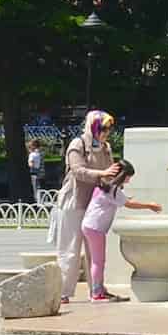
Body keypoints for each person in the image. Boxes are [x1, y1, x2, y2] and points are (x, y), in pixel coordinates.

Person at [47, 110, 120, 304]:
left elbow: (109, 172)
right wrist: (102, 173)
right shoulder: (77, 144)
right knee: (70, 249)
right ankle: (62, 293)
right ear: (93, 126)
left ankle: (97, 290)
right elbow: (77, 170)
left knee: (94, 251)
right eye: (103, 128)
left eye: (109, 129)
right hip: (74, 202)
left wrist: (117, 177)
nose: (107, 132)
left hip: (94, 205)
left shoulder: (106, 147)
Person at [80, 159, 161, 303]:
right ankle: (96, 294)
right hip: (96, 228)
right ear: (122, 175)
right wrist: (149, 205)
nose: (129, 181)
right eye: (129, 177)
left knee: (97, 261)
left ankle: (99, 290)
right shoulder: (113, 190)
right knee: (98, 261)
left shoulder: (104, 185)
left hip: (89, 225)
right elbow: (128, 204)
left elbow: (117, 200)